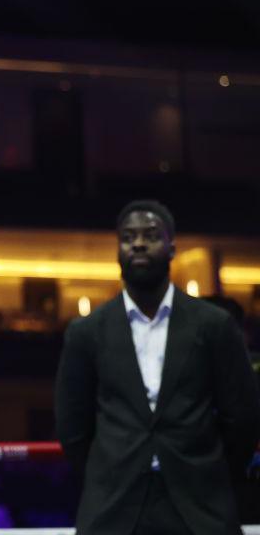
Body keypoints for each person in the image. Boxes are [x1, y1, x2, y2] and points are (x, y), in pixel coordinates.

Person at [55, 199, 260, 535]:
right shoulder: (86, 331)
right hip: (113, 506)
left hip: (200, 504)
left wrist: (209, 469)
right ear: (118, 250)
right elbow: (71, 427)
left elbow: (243, 418)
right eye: (128, 237)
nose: (138, 243)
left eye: (150, 235)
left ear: (171, 247)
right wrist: (111, 467)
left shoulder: (214, 325)